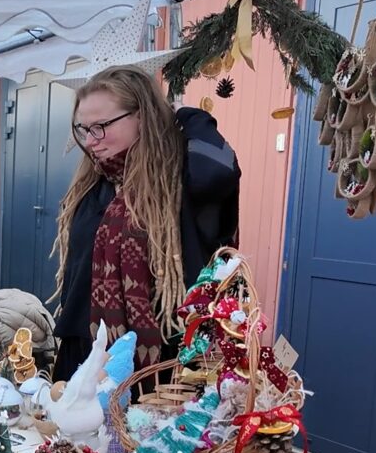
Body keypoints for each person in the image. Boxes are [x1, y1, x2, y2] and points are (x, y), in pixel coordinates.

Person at [50, 66, 240, 381]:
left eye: (101, 126)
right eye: (84, 129)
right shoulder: (94, 183)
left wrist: (188, 116)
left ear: (142, 116)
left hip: (156, 363)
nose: (92, 140)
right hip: (85, 351)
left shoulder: (177, 183)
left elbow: (218, 172)